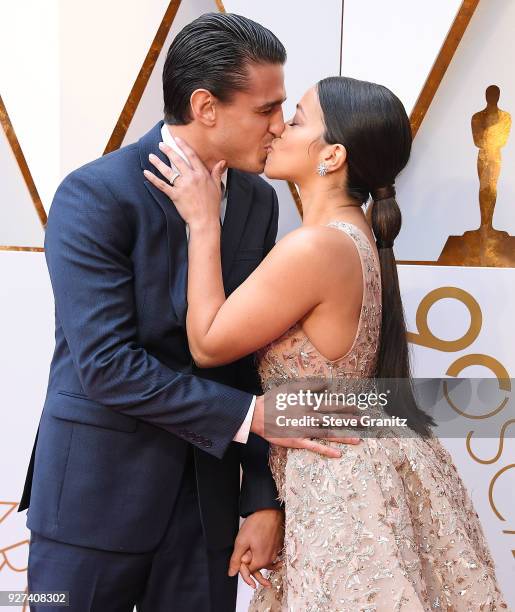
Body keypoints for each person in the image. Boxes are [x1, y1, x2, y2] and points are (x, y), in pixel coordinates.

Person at [17, 14, 355, 612]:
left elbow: (256, 357)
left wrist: (261, 497)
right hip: (93, 502)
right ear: (205, 107)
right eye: (266, 109)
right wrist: (250, 415)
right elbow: (105, 365)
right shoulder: (96, 193)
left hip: (208, 507)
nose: (279, 127)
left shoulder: (257, 199)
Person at [145, 76, 509, 610]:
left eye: (294, 121)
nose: (276, 129)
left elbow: (207, 343)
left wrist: (203, 223)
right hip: (351, 474)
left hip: (340, 486)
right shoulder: (356, 234)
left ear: (332, 155)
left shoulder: (316, 247)